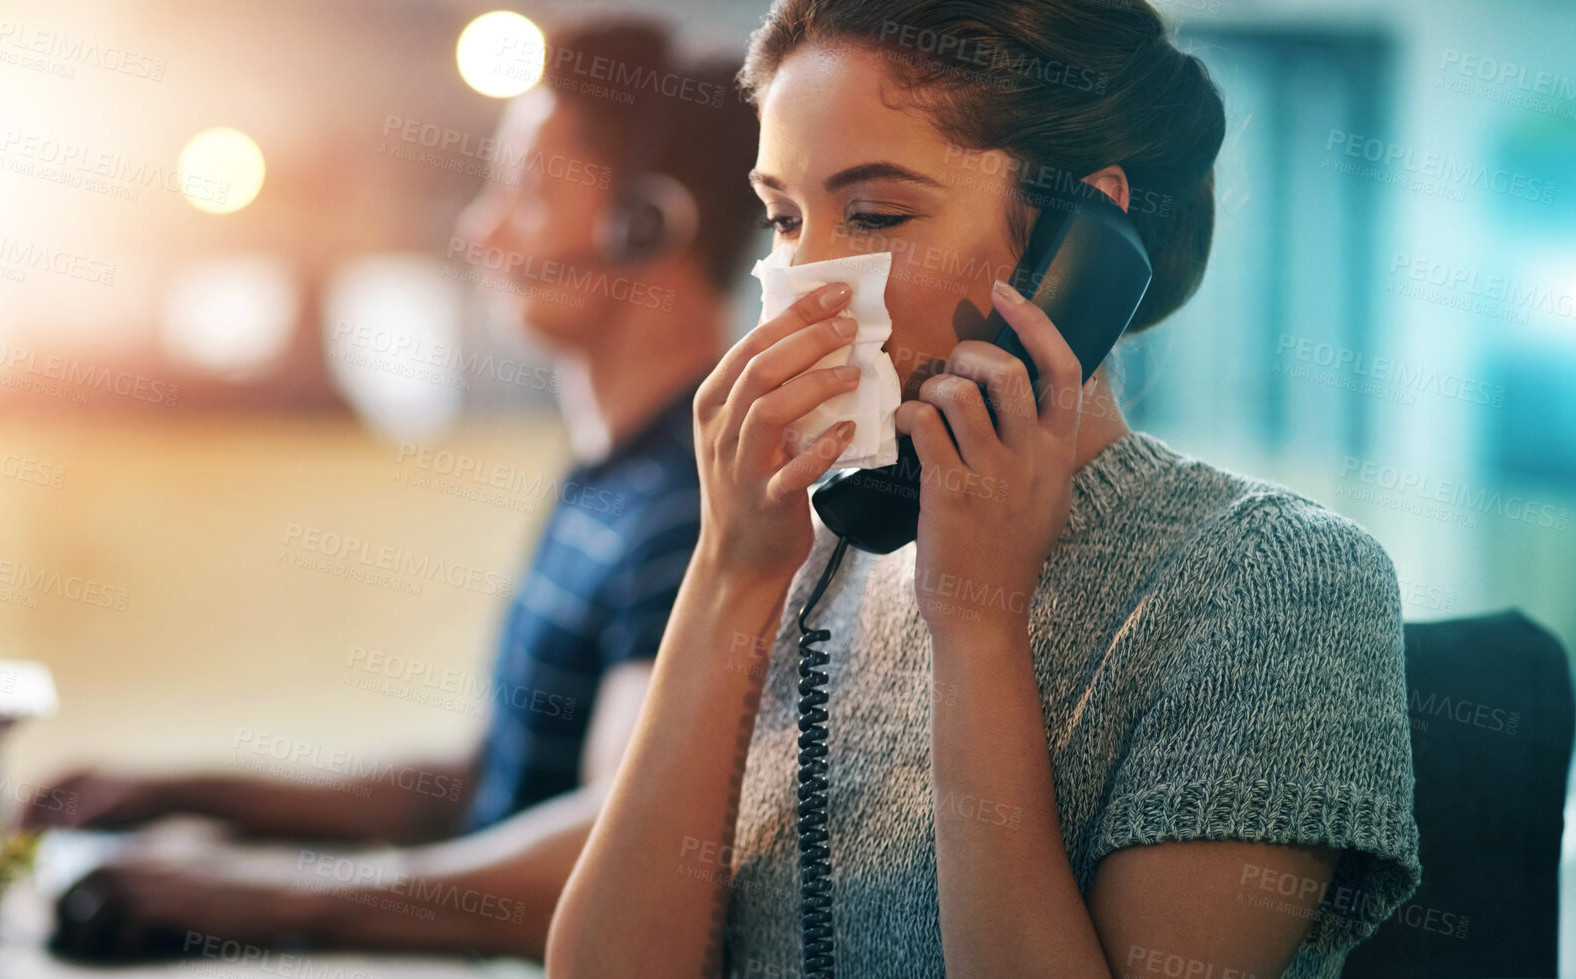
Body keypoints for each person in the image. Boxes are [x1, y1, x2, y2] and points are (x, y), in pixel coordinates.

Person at [548, 2, 1420, 977]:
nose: (804, 277)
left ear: (1077, 242)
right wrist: (728, 575)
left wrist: (977, 628)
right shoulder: (815, 546)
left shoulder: (1276, 578)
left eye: (874, 214)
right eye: (784, 218)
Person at [24, 20, 765, 961]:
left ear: (644, 225)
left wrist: (261, 902)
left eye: (527, 193)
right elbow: (484, 785)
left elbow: (616, 853)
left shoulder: (693, 506)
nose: (477, 229)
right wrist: (193, 797)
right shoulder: (611, 482)